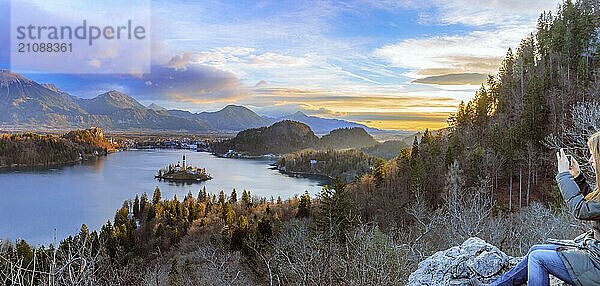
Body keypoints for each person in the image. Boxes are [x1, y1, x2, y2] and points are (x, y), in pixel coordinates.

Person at [470, 131, 600, 286]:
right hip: (594, 252)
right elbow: (593, 208)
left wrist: (564, 175)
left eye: (593, 155)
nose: (590, 160)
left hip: (596, 263)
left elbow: (581, 210)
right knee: (535, 249)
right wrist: (578, 177)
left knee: (537, 258)